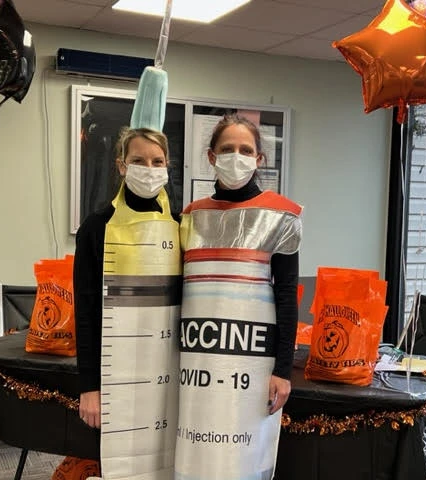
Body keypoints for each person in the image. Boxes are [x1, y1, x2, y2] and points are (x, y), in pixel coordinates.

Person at [175, 114, 302, 480]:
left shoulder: (282, 215)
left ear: (259, 159)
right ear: (211, 156)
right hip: (197, 365)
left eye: (246, 150)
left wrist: (282, 371)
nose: (237, 157)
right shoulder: (190, 217)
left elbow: (286, 295)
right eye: (228, 148)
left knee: (242, 459)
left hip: (252, 368)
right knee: (196, 453)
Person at [74, 127, 181, 480]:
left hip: (167, 374)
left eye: (157, 161)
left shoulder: (180, 226)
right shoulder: (96, 227)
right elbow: (86, 313)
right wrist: (89, 388)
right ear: (121, 165)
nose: (148, 169)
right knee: (120, 466)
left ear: (167, 166)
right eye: (138, 160)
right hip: (115, 375)